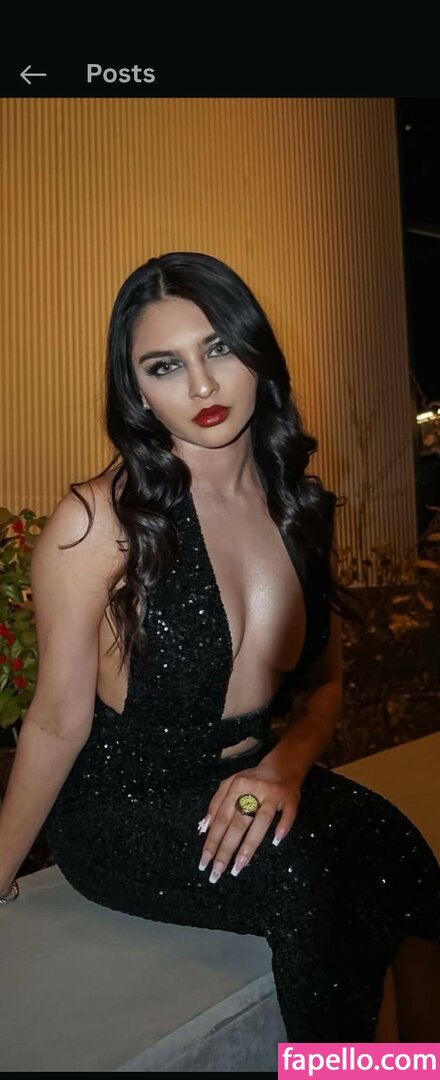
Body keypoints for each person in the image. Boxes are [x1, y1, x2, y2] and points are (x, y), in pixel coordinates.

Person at [0, 252, 439, 1040]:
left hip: (250, 777)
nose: (202, 386)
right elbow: (58, 720)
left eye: (219, 349)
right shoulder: (101, 523)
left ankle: (418, 1060)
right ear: (137, 390)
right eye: (165, 365)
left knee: (402, 851)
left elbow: (324, 688)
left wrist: (283, 767)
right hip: (122, 809)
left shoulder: (300, 508)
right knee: (305, 881)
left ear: (256, 354)